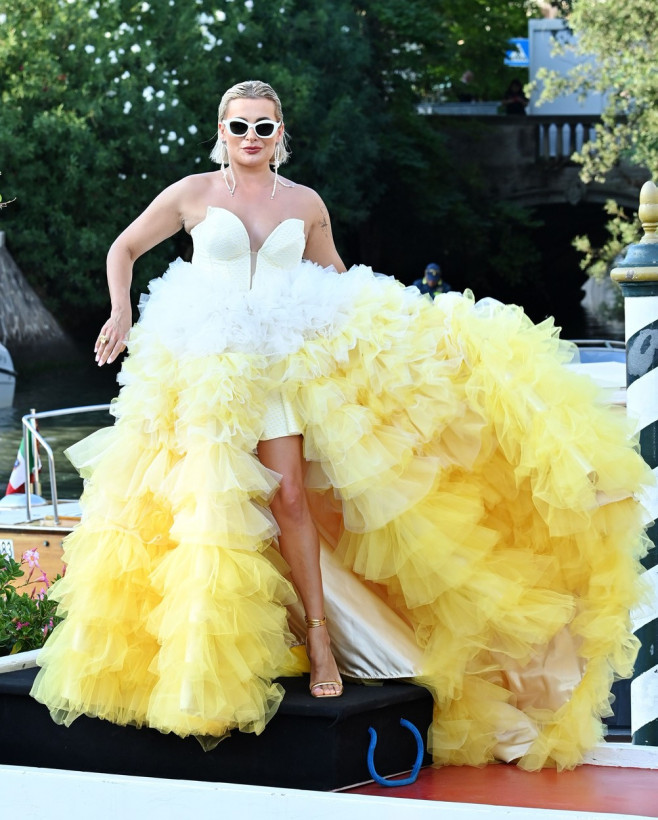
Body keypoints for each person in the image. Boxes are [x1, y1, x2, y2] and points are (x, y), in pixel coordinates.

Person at [31, 80, 652, 771]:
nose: (251, 140)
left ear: (281, 132)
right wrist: (120, 312)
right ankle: (197, 659)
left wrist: (411, 329)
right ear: (221, 128)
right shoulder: (192, 194)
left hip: (281, 366)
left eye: (264, 128)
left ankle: (322, 640)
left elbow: (338, 280)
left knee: (290, 497)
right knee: (206, 507)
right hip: (204, 365)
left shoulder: (305, 204)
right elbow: (123, 248)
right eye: (240, 127)